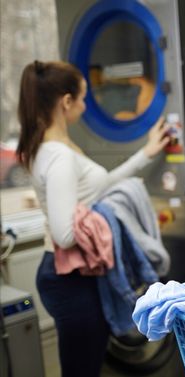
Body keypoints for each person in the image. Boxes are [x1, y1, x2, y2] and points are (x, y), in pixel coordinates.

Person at [15, 60, 169, 377]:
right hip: (69, 278)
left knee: (86, 363)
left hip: (74, 275)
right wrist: (104, 219)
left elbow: (97, 187)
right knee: (81, 369)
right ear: (66, 101)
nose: (86, 106)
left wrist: (146, 153)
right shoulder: (57, 156)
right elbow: (64, 234)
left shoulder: (53, 147)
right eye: (83, 99)